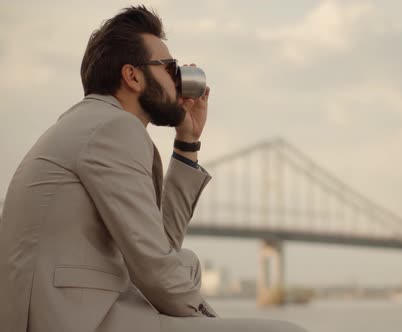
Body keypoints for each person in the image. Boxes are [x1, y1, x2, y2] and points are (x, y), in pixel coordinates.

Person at [0, 6, 306, 332]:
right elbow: (156, 269)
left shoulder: (92, 124)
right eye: (170, 68)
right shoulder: (112, 129)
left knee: (187, 263)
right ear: (132, 76)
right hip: (80, 320)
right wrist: (216, 321)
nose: (178, 80)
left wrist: (188, 141)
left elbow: (162, 248)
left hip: (77, 312)